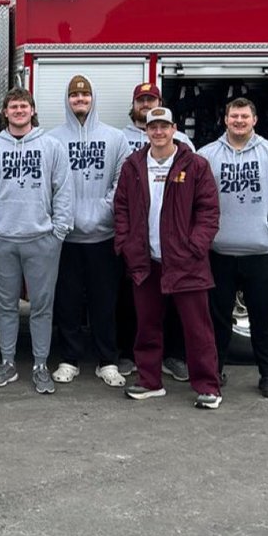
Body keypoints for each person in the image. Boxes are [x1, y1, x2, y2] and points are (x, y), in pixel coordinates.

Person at [113, 106, 222, 408]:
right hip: (146, 261)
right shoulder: (133, 165)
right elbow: (120, 207)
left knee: (197, 328)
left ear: (174, 129)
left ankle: (208, 387)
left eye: (164, 126)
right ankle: (149, 381)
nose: (158, 132)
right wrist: (125, 242)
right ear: (145, 132)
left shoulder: (195, 165)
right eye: (152, 127)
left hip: (186, 262)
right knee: (146, 325)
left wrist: (194, 246)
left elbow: (208, 211)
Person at [199, 97, 268, 399]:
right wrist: (207, 235)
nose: (239, 121)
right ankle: (214, 373)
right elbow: (195, 199)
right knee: (216, 320)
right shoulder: (207, 156)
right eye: (234, 116)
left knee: (263, 319)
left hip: (262, 254)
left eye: (244, 116)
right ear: (225, 120)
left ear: (254, 120)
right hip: (220, 255)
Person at [0, 87, 72, 395]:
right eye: (13, 106)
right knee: (5, 306)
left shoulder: (51, 146)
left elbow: (63, 191)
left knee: (42, 306)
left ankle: (41, 365)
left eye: (24, 106)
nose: (18, 111)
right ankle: (8, 362)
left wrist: (58, 232)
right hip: (0, 239)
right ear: (5, 112)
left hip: (41, 239)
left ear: (32, 111)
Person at [46, 74, 130, 388]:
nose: (79, 100)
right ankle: (69, 359)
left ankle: (107, 361)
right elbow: (50, 187)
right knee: (66, 303)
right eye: (74, 96)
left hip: (102, 236)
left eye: (84, 96)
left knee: (104, 302)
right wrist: (63, 219)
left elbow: (120, 185)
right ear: (67, 101)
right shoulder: (53, 140)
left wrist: (101, 215)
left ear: (93, 99)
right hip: (67, 238)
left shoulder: (115, 139)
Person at [118, 80, 192, 381]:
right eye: (141, 101)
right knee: (129, 301)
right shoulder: (119, 139)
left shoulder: (184, 142)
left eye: (152, 100)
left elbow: (197, 188)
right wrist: (123, 239)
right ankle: (127, 354)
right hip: (138, 240)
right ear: (134, 106)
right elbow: (118, 191)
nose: (146, 106)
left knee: (175, 302)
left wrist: (192, 240)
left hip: (173, 242)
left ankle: (174, 356)